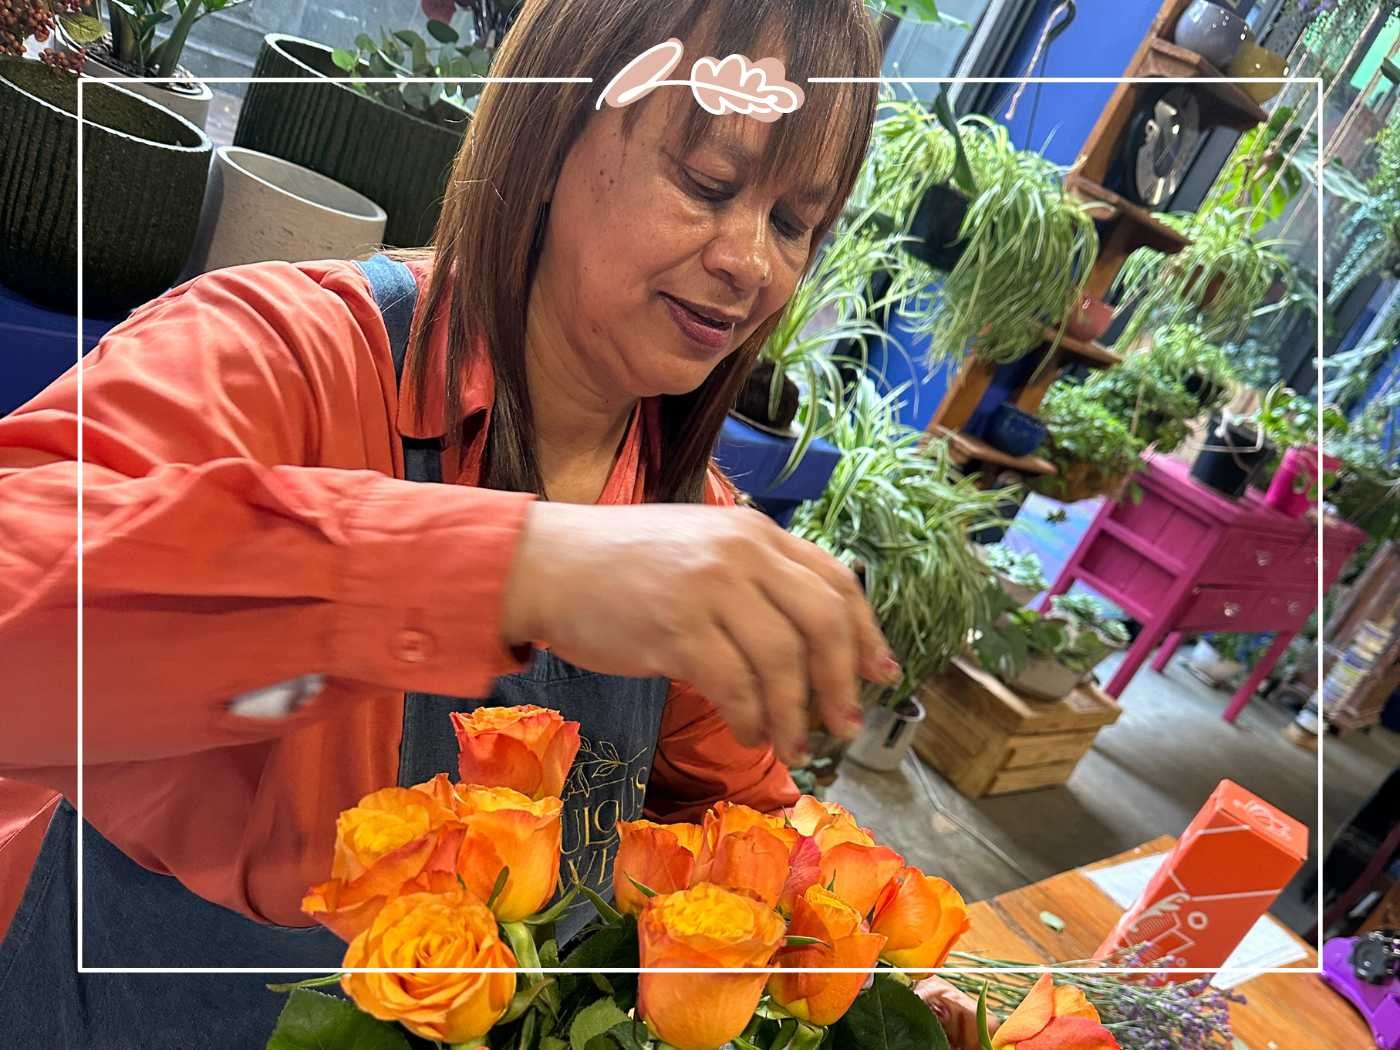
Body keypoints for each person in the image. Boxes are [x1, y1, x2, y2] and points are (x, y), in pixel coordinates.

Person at [0, 0, 985, 1046]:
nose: (751, 262)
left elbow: (730, 825)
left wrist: (838, 958)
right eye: (707, 184)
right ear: (551, 133)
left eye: (793, 223)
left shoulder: (692, 533)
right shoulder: (285, 356)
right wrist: (516, 567)